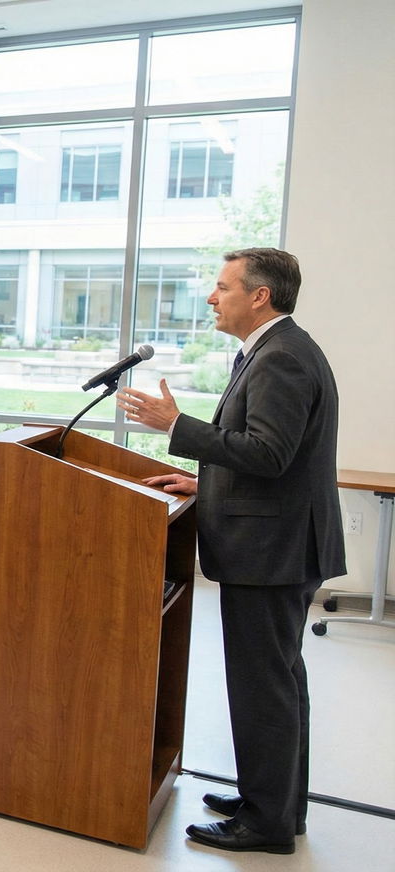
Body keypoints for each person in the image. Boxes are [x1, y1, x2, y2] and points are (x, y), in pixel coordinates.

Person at [117, 248, 343, 856]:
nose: (213, 298)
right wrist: (206, 479)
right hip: (278, 542)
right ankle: (273, 803)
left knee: (263, 686)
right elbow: (273, 458)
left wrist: (176, 425)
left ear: (260, 295)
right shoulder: (279, 350)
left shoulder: (282, 359)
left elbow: (268, 454)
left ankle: (266, 825)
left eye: (222, 288)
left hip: (272, 550)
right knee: (279, 681)